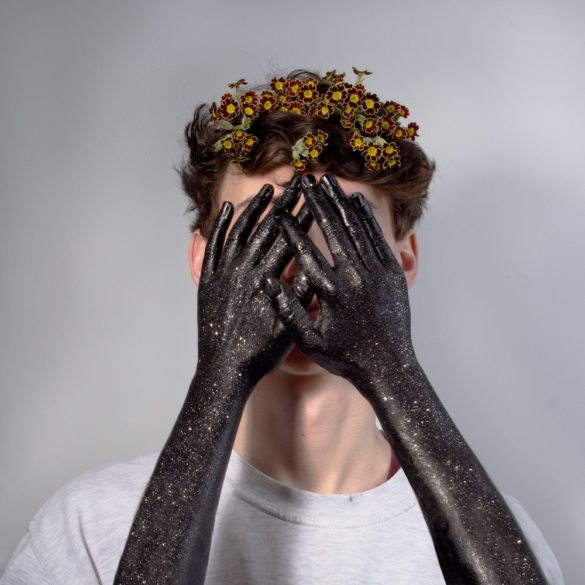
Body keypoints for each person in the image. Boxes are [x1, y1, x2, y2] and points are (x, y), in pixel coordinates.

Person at [0, 69, 565, 585]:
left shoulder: (495, 530)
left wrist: (390, 366)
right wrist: (221, 371)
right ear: (202, 261)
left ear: (403, 262)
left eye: (341, 234)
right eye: (261, 237)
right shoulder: (89, 524)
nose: (300, 271)